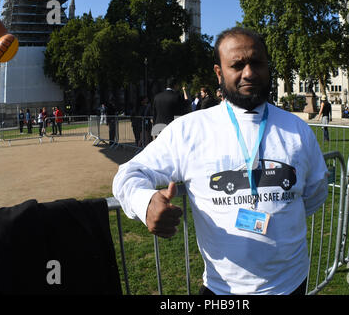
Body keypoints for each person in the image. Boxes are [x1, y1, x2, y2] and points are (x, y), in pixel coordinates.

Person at [112, 27, 329, 295]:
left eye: (257, 63)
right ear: (219, 73)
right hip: (222, 289)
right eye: (237, 65)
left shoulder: (298, 130)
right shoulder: (189, 130)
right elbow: (128, 173)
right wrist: (144, 203)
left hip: (291, 283)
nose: (249, 73)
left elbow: (314, 193)